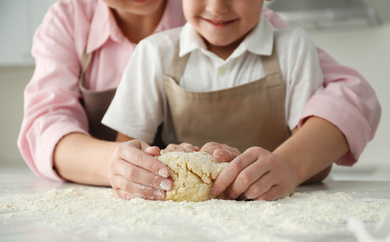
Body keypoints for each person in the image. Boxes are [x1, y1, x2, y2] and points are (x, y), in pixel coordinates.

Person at [17, 0, 380, 200]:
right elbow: (44, 125)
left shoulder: (251, 27)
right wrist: (116, 165)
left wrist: (291, 164)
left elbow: (351, 95)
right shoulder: (71, 20)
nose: (217, 6)